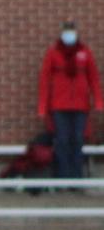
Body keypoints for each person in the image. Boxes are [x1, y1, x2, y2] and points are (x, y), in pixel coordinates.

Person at [38, 20, 101, 180]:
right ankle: (63, 177)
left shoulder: (85, 52)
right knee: (62, 140)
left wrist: (99, 101)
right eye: (66, 31)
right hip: (59, 105)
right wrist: (42, 107)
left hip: (80, 105)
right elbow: (44, 80)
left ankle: (77, 177)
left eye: (71, 31)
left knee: (78, 140)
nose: (69, 34)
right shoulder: (53, 53)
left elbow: (93, 78)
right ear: (62, 33)